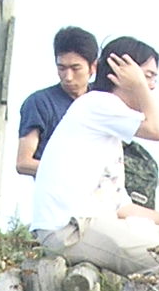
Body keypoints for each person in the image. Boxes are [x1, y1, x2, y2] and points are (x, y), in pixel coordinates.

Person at [29, 36, 159, 291]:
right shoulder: (97, 104)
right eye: (147, 76)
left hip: (91, 223)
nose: (152, 86)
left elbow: (121, 207)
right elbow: (157, 130)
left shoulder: (108, 129)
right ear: (121, 73)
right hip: (68, 229)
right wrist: (139, 86)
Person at [14, 26, 99, 178]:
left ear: (93, 67)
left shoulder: (102, 99)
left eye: (75, 68)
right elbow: (23, 163)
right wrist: (76, 172)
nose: (68, 77)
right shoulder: (39, 103)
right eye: (62, 68)